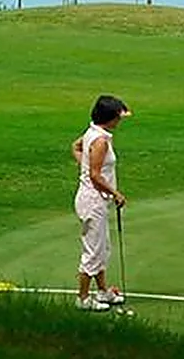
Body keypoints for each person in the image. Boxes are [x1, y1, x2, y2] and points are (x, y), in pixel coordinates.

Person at [72, 94, 131, 311]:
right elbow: (96, 176)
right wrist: (116, 193)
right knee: (93, 251)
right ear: (109, 118)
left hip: (95, 200)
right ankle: (83, 298)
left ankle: (103, 292)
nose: (120, 121)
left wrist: (85, 167)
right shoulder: (99, 141)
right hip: (93, 201)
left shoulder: (94, 133)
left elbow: (76, 148)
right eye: (118, 117)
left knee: (102, 248)